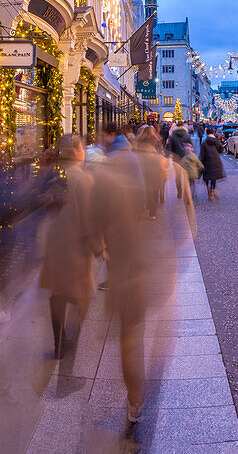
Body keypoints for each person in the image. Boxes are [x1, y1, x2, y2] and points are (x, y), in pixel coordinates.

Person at [91, 121, 147, 424]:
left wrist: (100, 248)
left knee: (128, 335)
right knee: (132, 332)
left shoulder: (105, 171)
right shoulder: (137, 165)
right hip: (141, 259)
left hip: (124, 262)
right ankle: (135, 396)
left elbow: (92, 220)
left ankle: (135, 397)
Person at [39, 135, 100, 359]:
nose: (84, 149)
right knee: (82, 295)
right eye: (81, 146)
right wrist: (99, 248)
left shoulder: (55, 176)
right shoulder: (84, 179)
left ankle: (59, 342)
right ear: (75, 152)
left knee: (58, 293)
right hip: (76, 248)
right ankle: (69, 339)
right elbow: (90, 219)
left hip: (55, 244)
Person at [135, 126, 165, 219]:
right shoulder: (156, 140)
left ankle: (140, 211)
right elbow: (160, 153)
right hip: (153, 164)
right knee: (153, 188)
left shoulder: (138, 140)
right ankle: (152, 212)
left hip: (141, 164)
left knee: (141, 187)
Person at [199, 130, 225, 200]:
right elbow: (221, 149)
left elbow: (202, 154)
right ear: (213, 133)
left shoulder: (204, 143)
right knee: (214, 177)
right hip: (215, 161)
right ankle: (213, 190)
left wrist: (199, 163)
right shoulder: (216, 141)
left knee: (207, 177)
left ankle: (209, 190)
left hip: (206, 161)